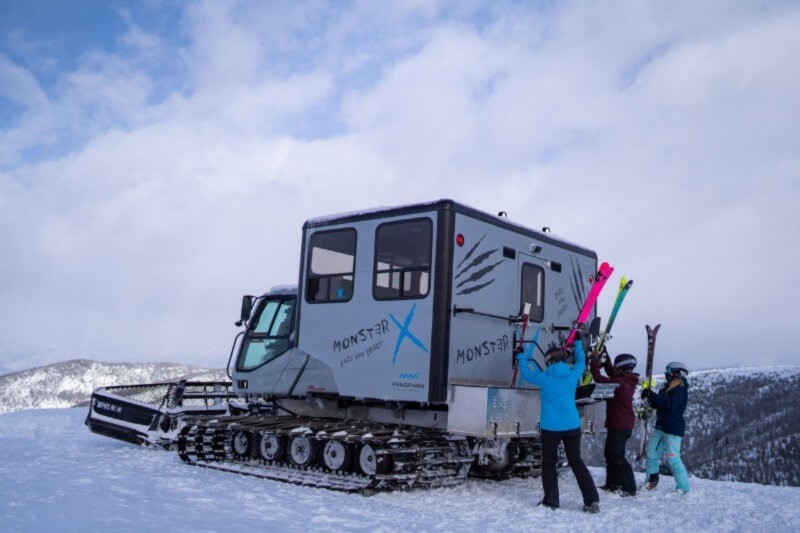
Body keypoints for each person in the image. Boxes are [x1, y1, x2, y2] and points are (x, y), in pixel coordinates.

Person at [517, 337, 600, 513]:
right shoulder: (572, 375)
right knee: (576, 462)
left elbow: (525, 373)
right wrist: (577, 344)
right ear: (563, 359)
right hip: (572, 426)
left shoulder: (543, 378)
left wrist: (521, 357)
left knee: (549, 463)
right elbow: (581, 361)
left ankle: (551, 500)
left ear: (548, 361)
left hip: (550, 428)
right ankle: (592, 500)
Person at [589, 349, 639, 497]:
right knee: (610, 454)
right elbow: (612, 373)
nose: (615, 369)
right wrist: (606, 358)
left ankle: (630, 487)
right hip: (619, 423)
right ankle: (613, 483)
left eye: (618, 367)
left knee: (617, 455)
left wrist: (595, 360)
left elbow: (598, 377)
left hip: (620, 424)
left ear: (622, 368)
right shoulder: (626, 379)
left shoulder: (620, 383)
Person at [640, 361, 690, 494]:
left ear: (676, 373)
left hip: (673, 429)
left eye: (669, 370)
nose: (666, 373)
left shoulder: (680, 390)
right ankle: (651, 481)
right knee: (651, 452)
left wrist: (652, 395)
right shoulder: (667, 388)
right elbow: (660, 404)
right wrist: (648, 397)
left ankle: (683, 487)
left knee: (673, 459)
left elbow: (669, 405)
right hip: (661, 427)